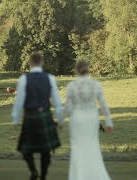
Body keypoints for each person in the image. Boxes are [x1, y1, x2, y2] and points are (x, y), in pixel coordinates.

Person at [11, 52, 64, 180]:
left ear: (30, 63)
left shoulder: (24, 79)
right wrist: (60, 119)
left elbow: (19, 101)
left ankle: (34, 171)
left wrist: (16, 119)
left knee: (25, 149)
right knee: (45, 151)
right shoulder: (50, 78)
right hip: (45, 116)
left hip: (30, 116)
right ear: (42, 62)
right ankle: (43, 176)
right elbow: (57, 101)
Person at [65, 60, 114, 180]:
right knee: (92, 146)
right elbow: (103, 105)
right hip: (92, 118)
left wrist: (60, 120)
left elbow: (68, 107)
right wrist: (108, 121)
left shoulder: (72, 86)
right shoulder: (95, 84)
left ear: (76, 70)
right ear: (88, 70)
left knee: (78, 147)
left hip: (77, 119)